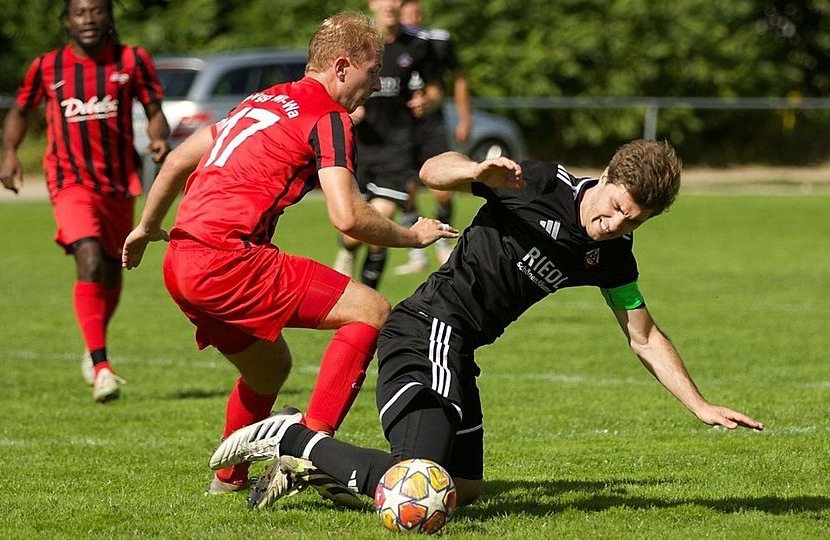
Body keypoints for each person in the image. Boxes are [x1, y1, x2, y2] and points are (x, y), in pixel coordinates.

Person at [210, 139, 765, 510]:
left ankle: (319, 468)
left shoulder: (613, 253)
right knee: (420, 482)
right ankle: (294, 435)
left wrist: (699, 405)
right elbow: (432, 170)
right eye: (615, 206)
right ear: (608, 177)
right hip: (428, 329)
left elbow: (643, 335)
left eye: (633, 220)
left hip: (462, 350)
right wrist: (475, 171)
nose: (614, 223)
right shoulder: (542, 184)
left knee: (465, 490)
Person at [121, 11, 457, 495]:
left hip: (181, 260)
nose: (378, 80)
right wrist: (414, 234)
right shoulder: (330, 116)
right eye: (372, 68)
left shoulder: (267, 98)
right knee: (371, 309)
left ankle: (228, 479)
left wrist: (146, 227)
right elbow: (348, 217)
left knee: (270, 369)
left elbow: (176, 158)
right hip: (228, 259)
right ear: (342, 66)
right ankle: (309, 454)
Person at [0, 0, 169, 403]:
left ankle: (93, 347)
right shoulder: (47, 67)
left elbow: (155, 110)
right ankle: (102, 365)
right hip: (69, 181)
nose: (88, 20)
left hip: (117, 184)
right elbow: (20, 111)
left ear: (108, 17)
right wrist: (8, 152)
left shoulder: (132, 59)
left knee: (112, 271)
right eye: (80, 12)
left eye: (96, 11)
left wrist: (159, 138)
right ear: (67, 20)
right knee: (88, 256)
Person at [332, 0, 443, 289]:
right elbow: (331, 85)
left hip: (398, 147)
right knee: (354, 232)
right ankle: (346, 250)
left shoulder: (419, 45)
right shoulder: (354, 43)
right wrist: (347, 108)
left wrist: (426, 101)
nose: (391, 4)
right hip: (357, 148)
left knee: (380, 220)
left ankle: (365, 299)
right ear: (372, 3)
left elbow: (435, 91)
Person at [394, 0, 473, 275]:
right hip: (401, 128)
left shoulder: (437, 42)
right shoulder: (388, 44)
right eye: (407, 13)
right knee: (406, 190)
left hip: (431, 125)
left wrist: (465, 118)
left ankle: (443, 241)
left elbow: (458, 78)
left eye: (416, 12)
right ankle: (416, 253)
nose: (412, 17)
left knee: (442, 190)